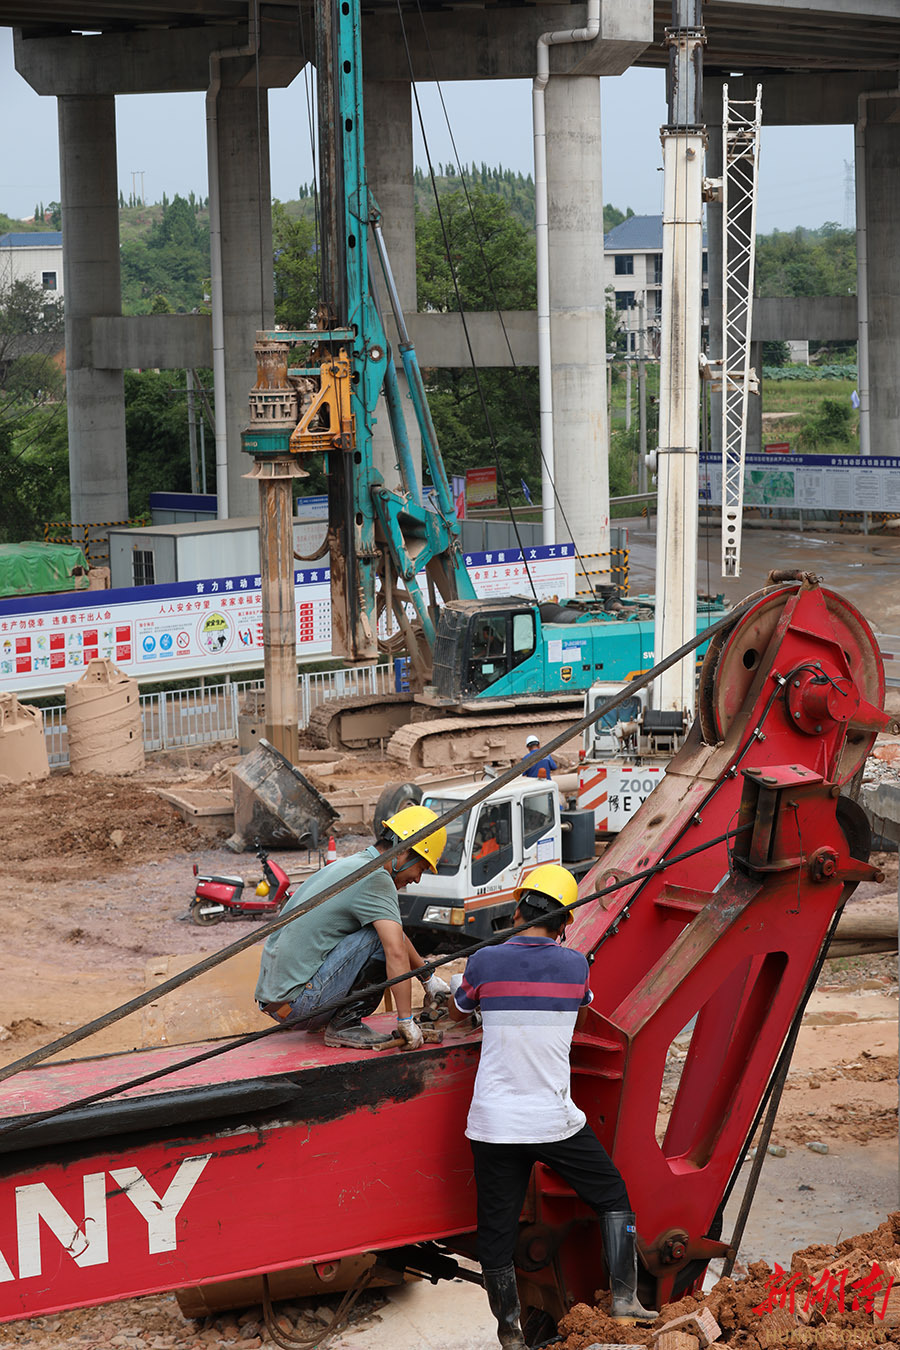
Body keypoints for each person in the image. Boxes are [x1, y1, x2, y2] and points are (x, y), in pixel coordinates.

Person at [448, 863, 656, 1346]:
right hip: (554, 1122)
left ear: (519, 908)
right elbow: (581, 1001)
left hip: (494, 1125)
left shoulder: (483, 961)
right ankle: (625, 1300)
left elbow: (461, 1009)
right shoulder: (575, 965)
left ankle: (511, 1334)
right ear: (564, 924)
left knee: (496, 1232)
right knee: (611, 1195)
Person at [255, 805, 450, 1050]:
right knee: (379, 938)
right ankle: (345, 1025)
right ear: (404, 851)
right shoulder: (376, 878)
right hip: (299, 1005)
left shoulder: (354, 865)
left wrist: (427, 977)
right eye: (420, 868)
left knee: (383, 931)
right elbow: (395, 949)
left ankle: (335, 1020)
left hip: (279, 1004)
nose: (417, 879)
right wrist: (406, 1020)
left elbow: (396, 932)